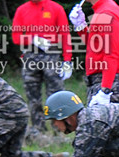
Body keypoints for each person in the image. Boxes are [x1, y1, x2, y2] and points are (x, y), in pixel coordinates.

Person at [11, 0, 73, 137]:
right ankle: (38, 131)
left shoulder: (56, 8)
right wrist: (32, 39)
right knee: (33, 97)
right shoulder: (22, 10)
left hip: (51, 54)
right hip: (30, 55)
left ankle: (60, 129)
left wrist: (67, 59)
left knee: (56, 94)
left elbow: (65, 34)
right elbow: (16, 37)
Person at [69, 0, 119, 105]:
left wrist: (105, 91)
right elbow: (95, 46)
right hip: (102, 81)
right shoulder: (102, 9)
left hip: (106, 83)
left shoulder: (106, 12)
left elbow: (111, 54)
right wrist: (81, 26)